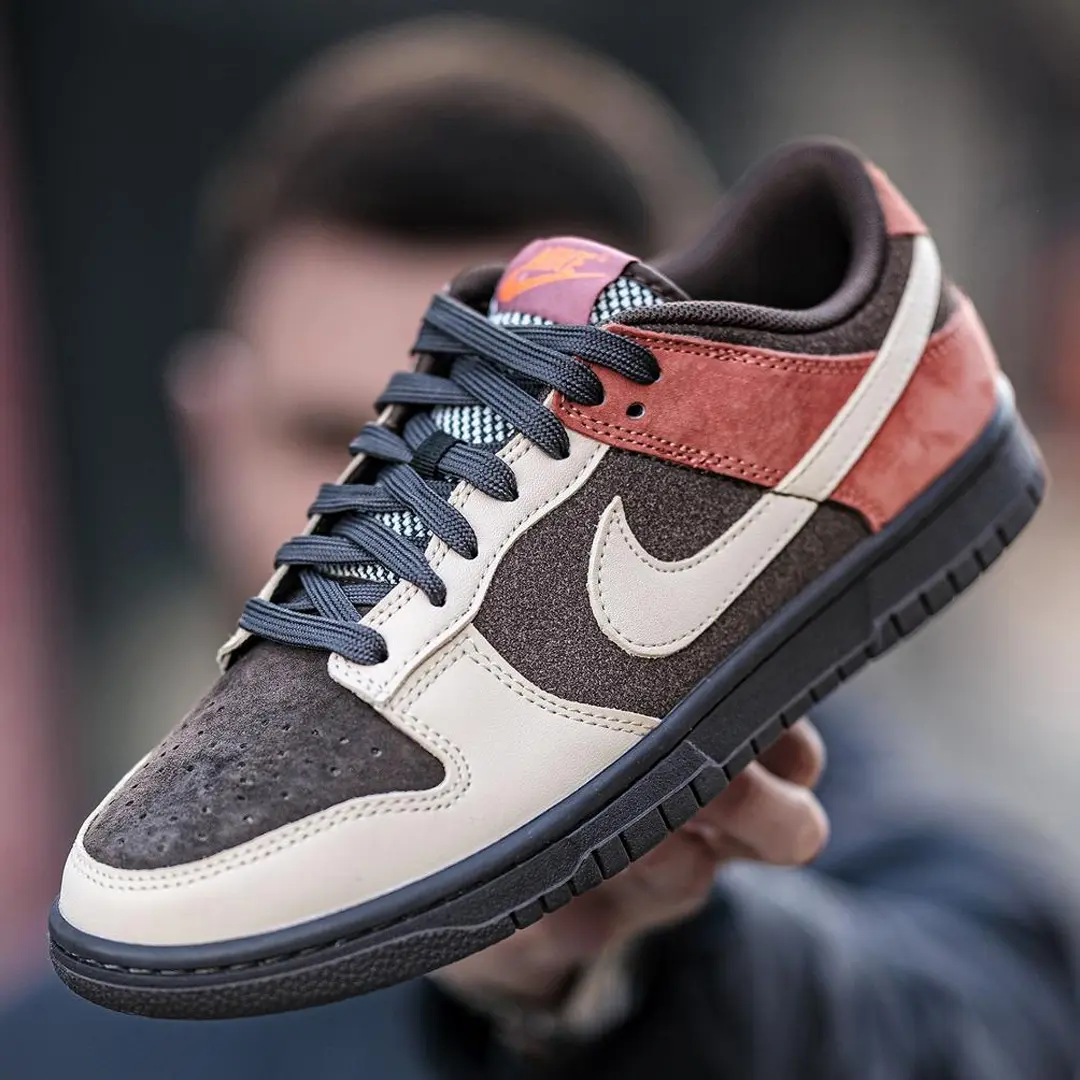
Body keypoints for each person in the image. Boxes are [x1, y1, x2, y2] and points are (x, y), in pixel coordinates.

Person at [4, 17, 1078, 1080]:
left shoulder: (907, 865)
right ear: (208, 431)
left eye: (505, 446)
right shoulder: (58, 1035)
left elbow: (1004, 1026)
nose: (396, 522)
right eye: (362, 445)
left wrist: (635, 970)